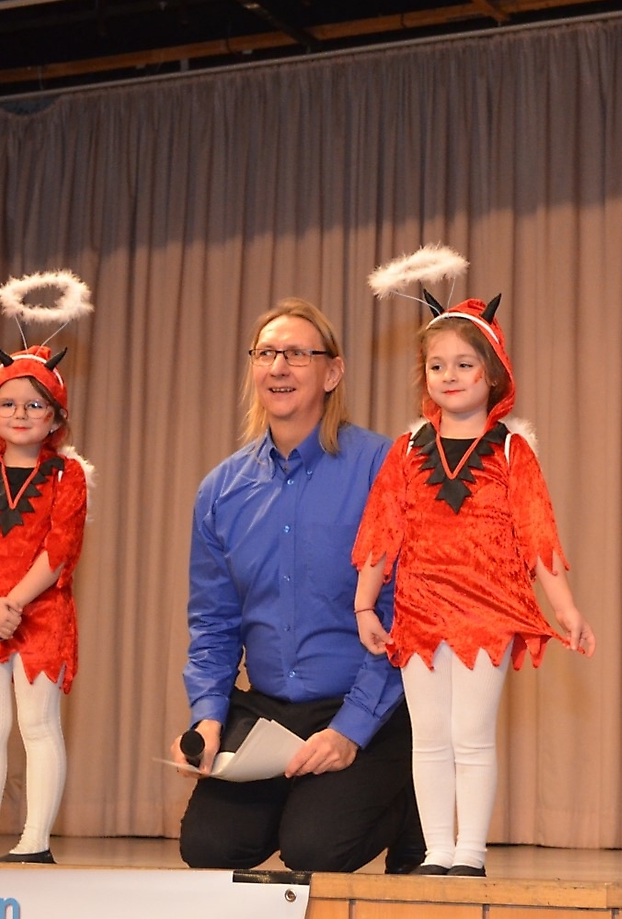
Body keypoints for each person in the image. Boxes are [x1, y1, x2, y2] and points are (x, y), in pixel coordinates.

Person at [174, 298, 423, 874]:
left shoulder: (382, 467)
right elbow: (213, 623)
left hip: (368, 702)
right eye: (266, 354)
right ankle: (308, 800)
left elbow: (404, 608)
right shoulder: (220, 490)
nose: (278, 367)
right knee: (209, 848)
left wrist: (350, 730)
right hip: (269, 715)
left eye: (296, 354)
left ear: (332, 373)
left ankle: (408, 795)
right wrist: (208, 716)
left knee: (315, 849)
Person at [351, 293, 595, 878]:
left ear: (493, 373)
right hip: (420, 610)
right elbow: (382, 530)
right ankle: (438, 851)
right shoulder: (407, 450)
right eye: (437, 365)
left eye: (464, 364)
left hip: (488, 609)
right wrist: (364, 605)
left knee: (471, 732)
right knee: (430, 734)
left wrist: (566, 609)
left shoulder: (512, 450)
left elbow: (539, 535)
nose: (450, 375)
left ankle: (471, 853)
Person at [0, 342, 89, 864]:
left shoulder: (68, 475)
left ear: (56, 417)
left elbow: (60, 548)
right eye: (8, 403)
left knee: (38, 724)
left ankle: (35, 840)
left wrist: (15, 604)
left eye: (34, 404)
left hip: (42, 614)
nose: (20, 413)